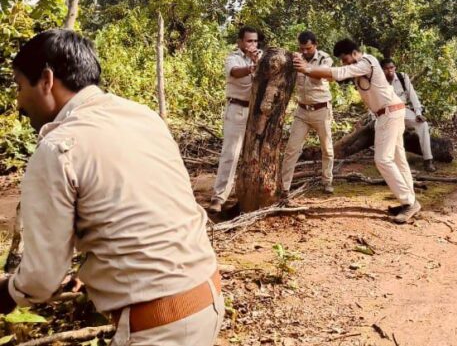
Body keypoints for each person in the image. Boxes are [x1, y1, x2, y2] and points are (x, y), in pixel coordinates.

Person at [1, 29, 222, 346]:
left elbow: (40, 280)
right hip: (206, 299)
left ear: (47, 80)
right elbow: (139, 209)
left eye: (20, 86)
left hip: (160, 328)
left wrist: (8, 292)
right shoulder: (141, 116)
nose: (19, 101)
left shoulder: (58, 147)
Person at [292, 39, 421, 224]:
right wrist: (306, 67)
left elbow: (340, 72)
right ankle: (409, 200)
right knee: (398, 159)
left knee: (383, 159)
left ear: (354, 53)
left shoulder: (367, 62)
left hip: (390, 113)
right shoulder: (359, 66)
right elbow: (332, 75)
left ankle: (409, 202)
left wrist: (307, 68)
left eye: (345, 59)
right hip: (387, 114)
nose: (344, 63)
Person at [209, 26, 262, 213]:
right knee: (231, 154)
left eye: (255, 41)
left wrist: (260, 63)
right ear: (240, 42)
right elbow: (236, 72)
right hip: (237, 109)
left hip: (256, 113)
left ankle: (250, 196)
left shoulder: (261, 57)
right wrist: (252, 67)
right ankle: (219, 198)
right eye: (249, 41)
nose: (253, 45)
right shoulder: (233, 58)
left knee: (255, 156)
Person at [281, 31, 335, 195]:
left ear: (315, 45)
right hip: (302, 111)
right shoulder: (296, 58)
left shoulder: (325, 58)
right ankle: (284, 187)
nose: (305, 52)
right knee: (291, 149)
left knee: (327, 149)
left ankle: (327, 181)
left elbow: (322, 74)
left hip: (321, 110)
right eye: (302, 48)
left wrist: (305, 67)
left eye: (308, 48)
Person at [380, 58, 436, 172]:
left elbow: (413, 96)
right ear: (382, 70)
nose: (389, 71)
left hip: (402, 109)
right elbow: (373, 100)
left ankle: (428, 160)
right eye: (386, 69)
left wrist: (418, 113)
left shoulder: (402, 77)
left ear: (395, 68)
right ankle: (390, 163)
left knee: (423, 125)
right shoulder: (378, 81)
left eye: (391, 68)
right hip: (387, 112)